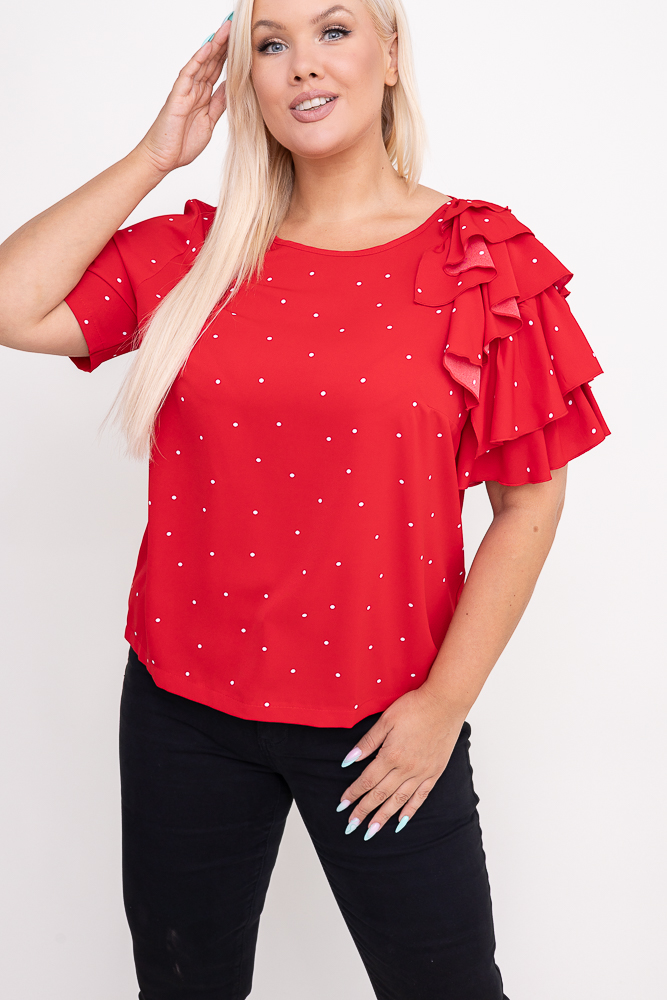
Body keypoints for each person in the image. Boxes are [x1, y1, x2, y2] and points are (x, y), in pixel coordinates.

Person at [0, 1, 611, 997]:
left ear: (390, 53)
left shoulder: (478, 258)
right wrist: (156, 155)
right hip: (183, 709)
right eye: (270, 44)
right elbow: (10, 302)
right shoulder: (197, 253)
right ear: (247, 77)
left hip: (384, 724)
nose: (301, 65)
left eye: (332, 31)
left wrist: (443, 707)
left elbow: (528, 505)